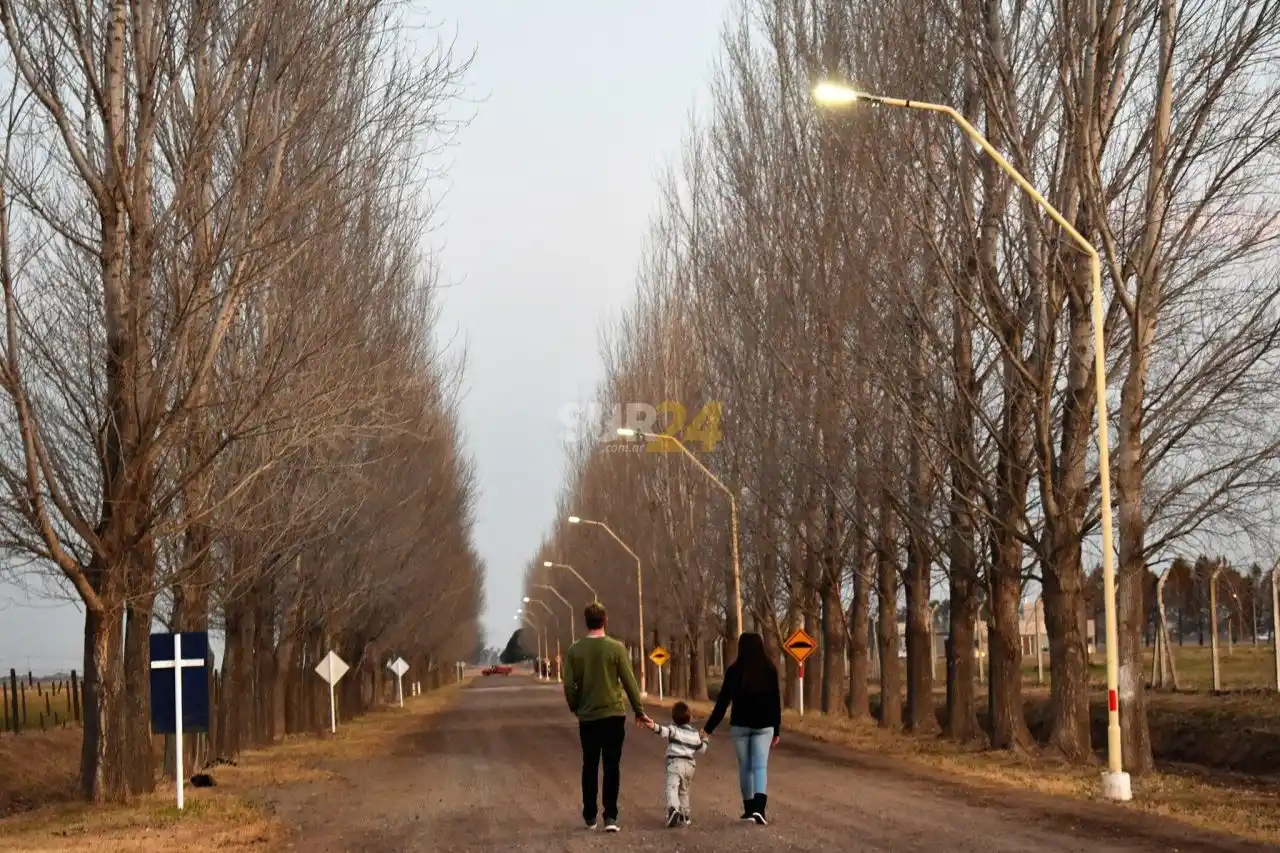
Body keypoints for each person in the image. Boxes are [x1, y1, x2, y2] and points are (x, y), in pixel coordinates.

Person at [562, 601, 652, 832]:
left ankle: (590, 815)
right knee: (612, 765)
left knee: (589, 765)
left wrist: (576, 706)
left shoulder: (574, 651)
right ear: (605, 620)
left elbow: (569, 685)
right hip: (613, 714)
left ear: (586, 622)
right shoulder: (616, 648)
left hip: (588, 716)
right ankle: (610, 816)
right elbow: (629, 682)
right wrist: (639, 711)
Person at [701, 632, 781, 826]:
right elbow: (775, 702)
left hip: (740, 726)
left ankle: (749, 809)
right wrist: (776, 729)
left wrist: (708, 728)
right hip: (764, 725)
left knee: (745, 767)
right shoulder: (769, 669)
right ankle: (760, 810)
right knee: (760, 766)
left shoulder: (734, 671)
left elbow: (722, 703)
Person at [645, 700, 708, 828]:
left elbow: (662, 731)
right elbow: (702, 749)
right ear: (689, 718)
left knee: (672, 787)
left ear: (673, 718)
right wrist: (705, 739)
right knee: (684, 791)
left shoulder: (674, 730)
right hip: (690, 766)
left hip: (676, 763)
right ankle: (685, 816)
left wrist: (652, 725)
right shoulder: (694, 734)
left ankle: (673, 809)